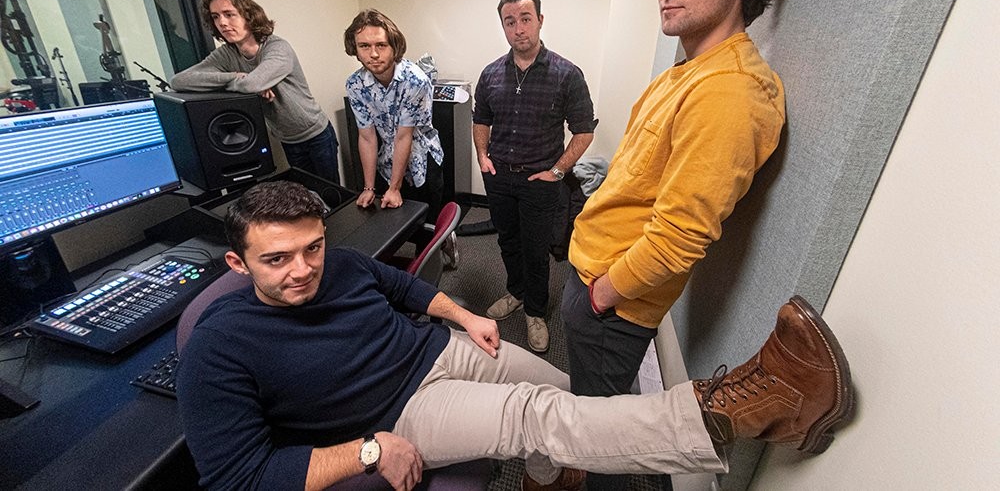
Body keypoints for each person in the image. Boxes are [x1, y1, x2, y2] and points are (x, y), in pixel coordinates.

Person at [176, 180, 853, 491]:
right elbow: (236, 477)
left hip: (438, 350)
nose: (303, 270)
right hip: (400, 412)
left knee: (561, 390)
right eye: (277, 260)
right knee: (542, 415)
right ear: (237, 264)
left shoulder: (340, 263)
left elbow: (403, 288)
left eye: (312, 249)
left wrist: (465, 316)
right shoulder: (217, 347)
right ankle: (741, 413)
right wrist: (369, 450)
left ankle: (542, 482)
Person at [560, 0, 791, 491]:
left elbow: (680, 236)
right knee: (605, 423)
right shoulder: (691, 70)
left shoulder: (730, 92)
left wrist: (602, 295)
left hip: (610, 300)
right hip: (594, 278)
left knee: (603, 442)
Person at [473, 0, 597, 353]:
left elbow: (584, 130)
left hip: (540, 181)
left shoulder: (566, 74)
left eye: (525, 19)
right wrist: (483, 156)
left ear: (540, 21)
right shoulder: (491, 74)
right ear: (503, 26)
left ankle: (535, 311)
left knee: (536, 248)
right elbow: (481, 119)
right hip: (499, 177)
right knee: (507, 240)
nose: (518, 29)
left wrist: (558, 172)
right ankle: (515, 292)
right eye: (510, 22)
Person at [171, 0, 340, 184]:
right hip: (287, 139)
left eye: (229, 14)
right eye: (216, 17)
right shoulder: (226, 55)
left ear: (249, 16)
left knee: (332, 193)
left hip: (315, 133)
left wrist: (248, 81)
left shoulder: (277, 47)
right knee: (307, 195)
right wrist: (235, 77)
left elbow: (252, 84)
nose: (222, 23)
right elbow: (179, 81)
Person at [343, 8, 456, 266]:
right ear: (355, 48)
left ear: (393, 46)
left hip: (421, 158)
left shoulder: (414, 80)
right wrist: (368, 187)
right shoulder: (355, 85)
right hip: (387, 158)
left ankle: (441, 245)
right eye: (364, 46)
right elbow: (367, 137)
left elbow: (405, 137)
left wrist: (394, 188)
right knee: (389, 221)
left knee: (426, 226)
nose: (373, 54)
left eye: (381, 45)